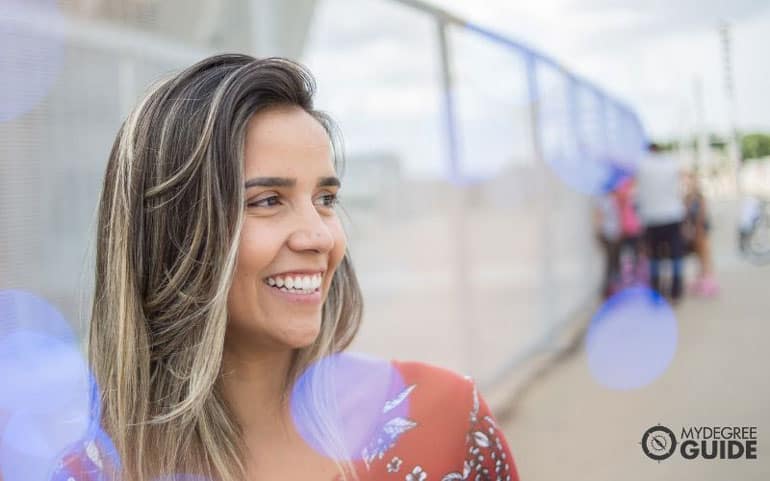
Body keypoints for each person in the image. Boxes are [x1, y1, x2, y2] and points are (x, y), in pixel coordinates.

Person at [48, 54, 520, 481]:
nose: (320, 236)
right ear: (172, 234)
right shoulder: (90, 473)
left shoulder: (445, 422)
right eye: (268, 200)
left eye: (325, 199)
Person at [636, 142, 686, 302]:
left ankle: (656, 289)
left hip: (651, 218)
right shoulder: (670, 163)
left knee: (655, 256)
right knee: (675, 254)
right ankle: (676, 290)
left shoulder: (641, 165)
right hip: (672, 215)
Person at [682, 171, 718, 297]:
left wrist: (699, 232)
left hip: (701, 231)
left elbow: (702, 216)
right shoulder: (686, 198)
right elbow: (685, 216)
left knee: (704, 257)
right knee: (699, 258)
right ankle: (701, 280)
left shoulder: (700, 198)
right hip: (692, 232)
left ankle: (708, 282)